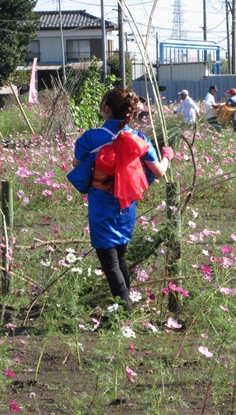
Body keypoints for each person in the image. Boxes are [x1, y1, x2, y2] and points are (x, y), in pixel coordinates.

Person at [71, 88, 174, 311]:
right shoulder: (139, 138)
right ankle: (124, 307)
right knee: (119, 258)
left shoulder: (91, 138)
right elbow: (159, 171)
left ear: (106, 109)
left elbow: (77, 165)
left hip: (101, 207)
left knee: (110, 263)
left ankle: (124, 312)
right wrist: (167, 155)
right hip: (126, 207)